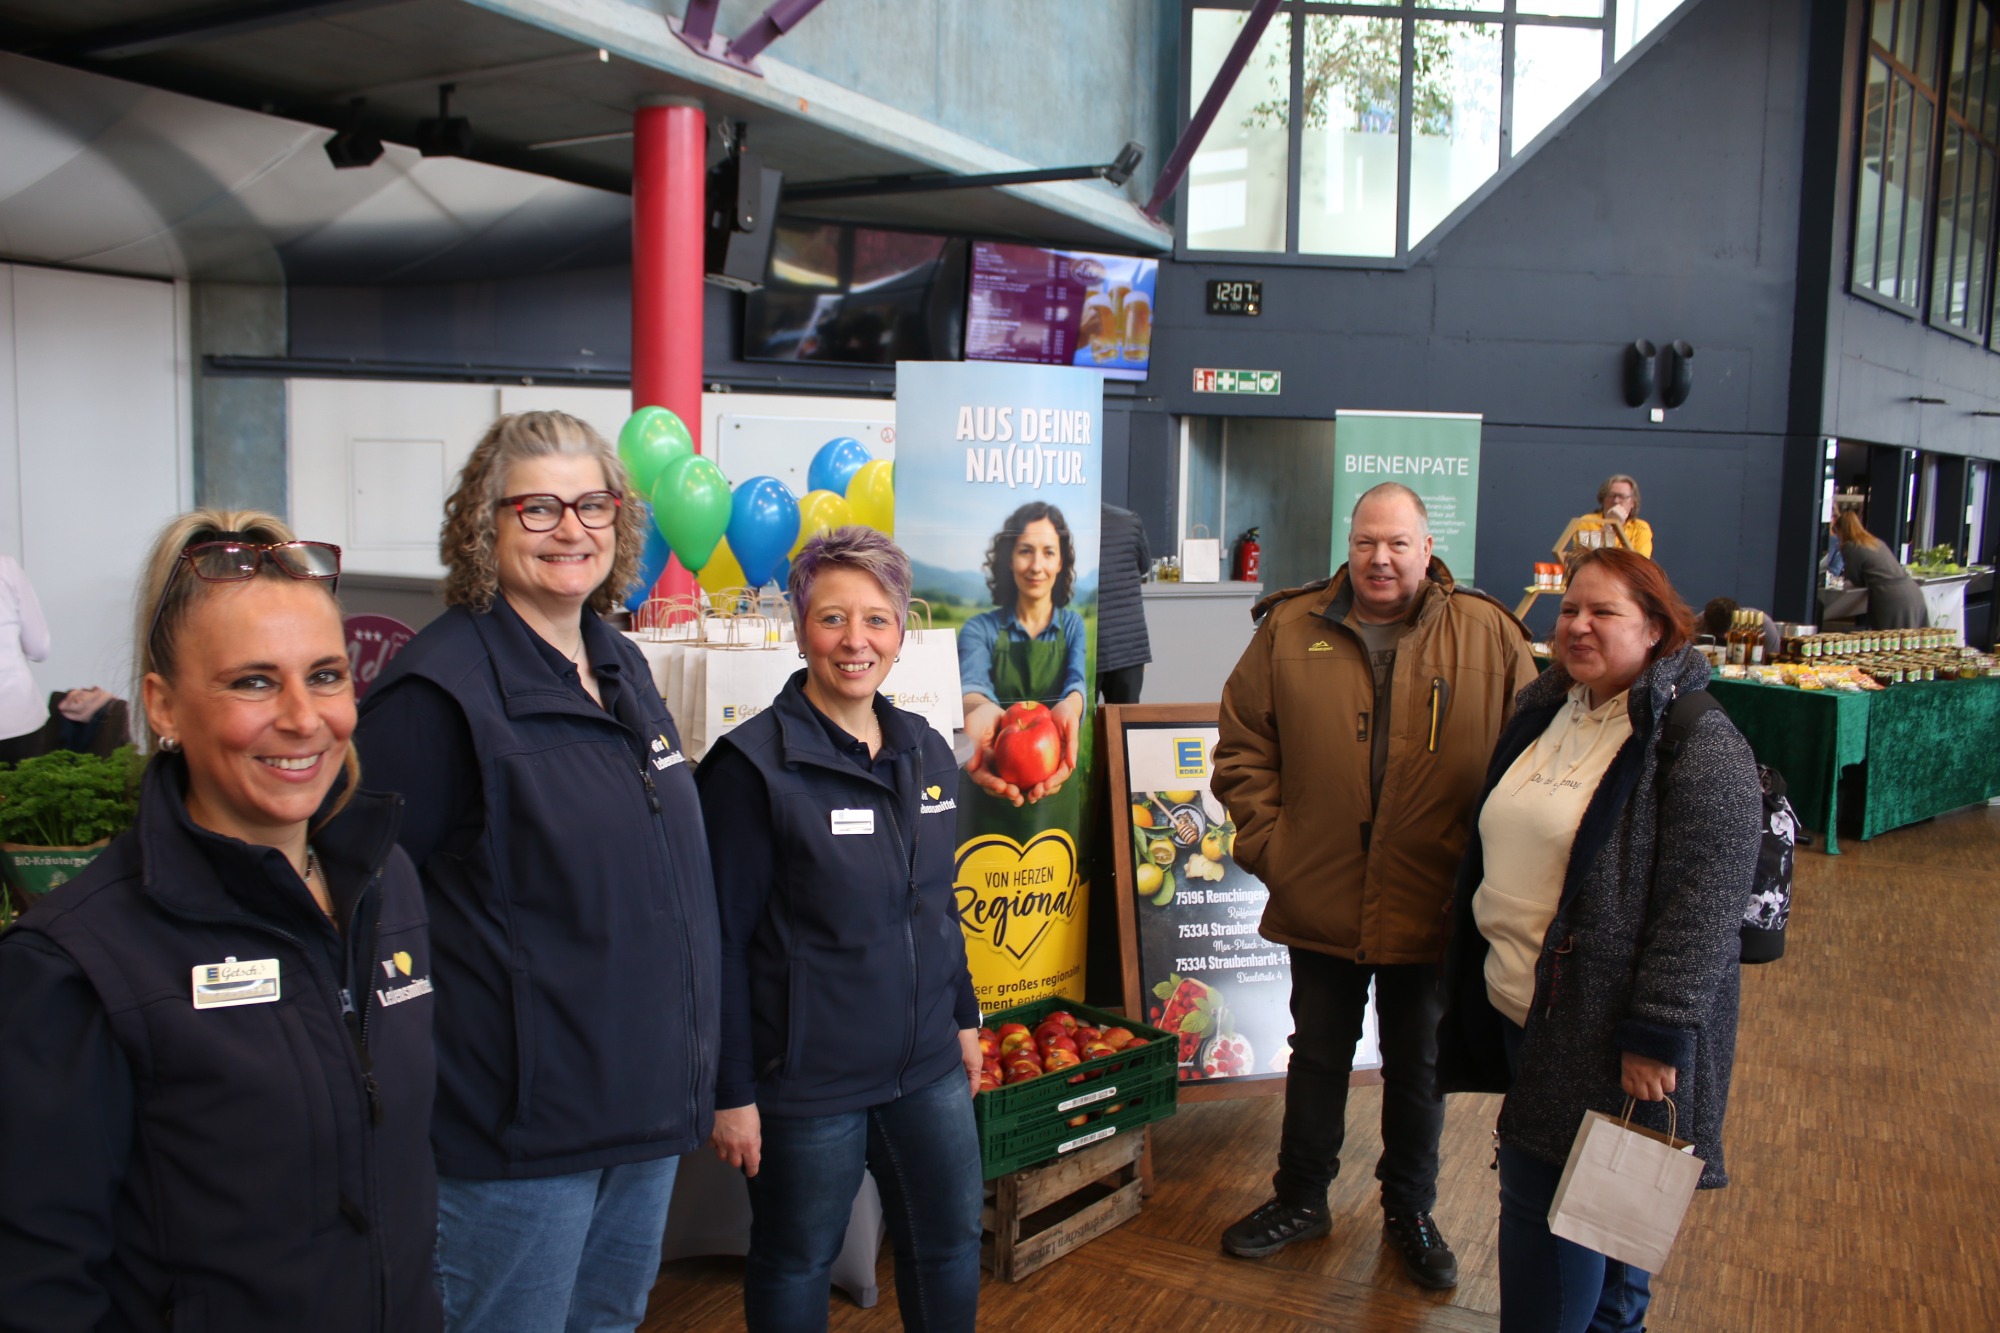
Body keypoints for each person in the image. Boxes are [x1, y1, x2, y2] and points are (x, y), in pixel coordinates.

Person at [0, 509, 440, 1330]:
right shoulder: (77, 963)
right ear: (163, 706)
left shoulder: (387, 882)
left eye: (326, 675)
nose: (305, 717)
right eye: (253, 681)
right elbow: (39, 1285)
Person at [355, 411, 720, 1333]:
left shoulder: (622, 664)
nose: (572, 528)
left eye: (592, 503)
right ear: (485, 523)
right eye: (539, 508)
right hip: (519, 1139)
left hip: (640, 1115)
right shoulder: (436, 695)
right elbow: (363, 915)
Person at [1211, 482, 1536, 1288]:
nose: (1380, 559)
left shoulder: (1490, 635)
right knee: (1316, 1053)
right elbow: (1242, 743)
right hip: (1319, 891)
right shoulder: (1291, 628)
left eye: (1397, 543)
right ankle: (1299, 1198)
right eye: (1365, 543)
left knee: (1419, 1062)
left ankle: (1409, 1211)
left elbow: (1529, 763)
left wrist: (1485, 877)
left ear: (1428, 548)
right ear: (1347, 546)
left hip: (1431, 899)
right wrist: (1274, 846)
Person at [1436, 547, 1762, 1331]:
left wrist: (1659, 1032)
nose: (1577, 626)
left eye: (1603, 612)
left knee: (1550, 1227)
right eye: (1569, 609)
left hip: (1611, 1037)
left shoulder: (1695, 738)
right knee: (1610, 1242)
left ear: (1654, 628)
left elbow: (1705, 905)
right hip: (1529, 1010)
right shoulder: (1548, 705)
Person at [700, 527, 983, 1333]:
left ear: (902, 628)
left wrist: (963, 1014)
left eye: (875, 619)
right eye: (832, 619)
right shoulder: (751, 769)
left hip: (926, 1064)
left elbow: (937, 899)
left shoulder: (927, 750)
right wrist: (732, 1093)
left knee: (949, 1242)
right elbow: (720, 941)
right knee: (796, 1259)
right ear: (799, 627)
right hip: (806, 1082)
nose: (854, 641)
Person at [958, 500, 1088, 812]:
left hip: (1055, 790)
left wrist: (1069, 708)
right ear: (1009, 559)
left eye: (1049, 552)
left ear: (1061, 562)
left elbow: (1076, 681)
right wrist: (982, 710)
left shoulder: (1072, 625)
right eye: (1025, 550)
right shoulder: (979, 628)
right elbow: (972, 685)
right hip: (991, 781)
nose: (1036, 566)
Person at [1831, 508, 1928, 628]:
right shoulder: (1874, 541)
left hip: (1891, 598)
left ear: (1841, 531)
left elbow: (1854, 579)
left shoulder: (1850, 547)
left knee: (1889, 641)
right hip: (1912, 591)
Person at [1096, 502, 1153, 705]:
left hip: (1087, 645)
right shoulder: (1129, 520)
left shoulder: (1060, 524)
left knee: (1079, 727)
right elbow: (1144, 566)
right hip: (1129, 644)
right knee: (1124, 725)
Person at [0, 552, 51, 764]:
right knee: (23, 794)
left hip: (18, 721)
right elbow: (39, 648)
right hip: (17, 719)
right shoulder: (6, 567)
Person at [1564, 475, 1653, 560]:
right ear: (1603, 499)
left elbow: (1641, 564)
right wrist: (1609, 525)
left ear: (1633, 503)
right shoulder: (1587, 521)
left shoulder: (1641, 528)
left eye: (1622, 497)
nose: (1616, 501)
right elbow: (1584, 559)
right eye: (1611, 495)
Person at [1700, 597, 1781, 660]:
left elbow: (1773, 661)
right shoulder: (1698, 623)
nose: (1725, 636)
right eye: (1718, 633)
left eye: (1730, 631)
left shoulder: (1763, 625)